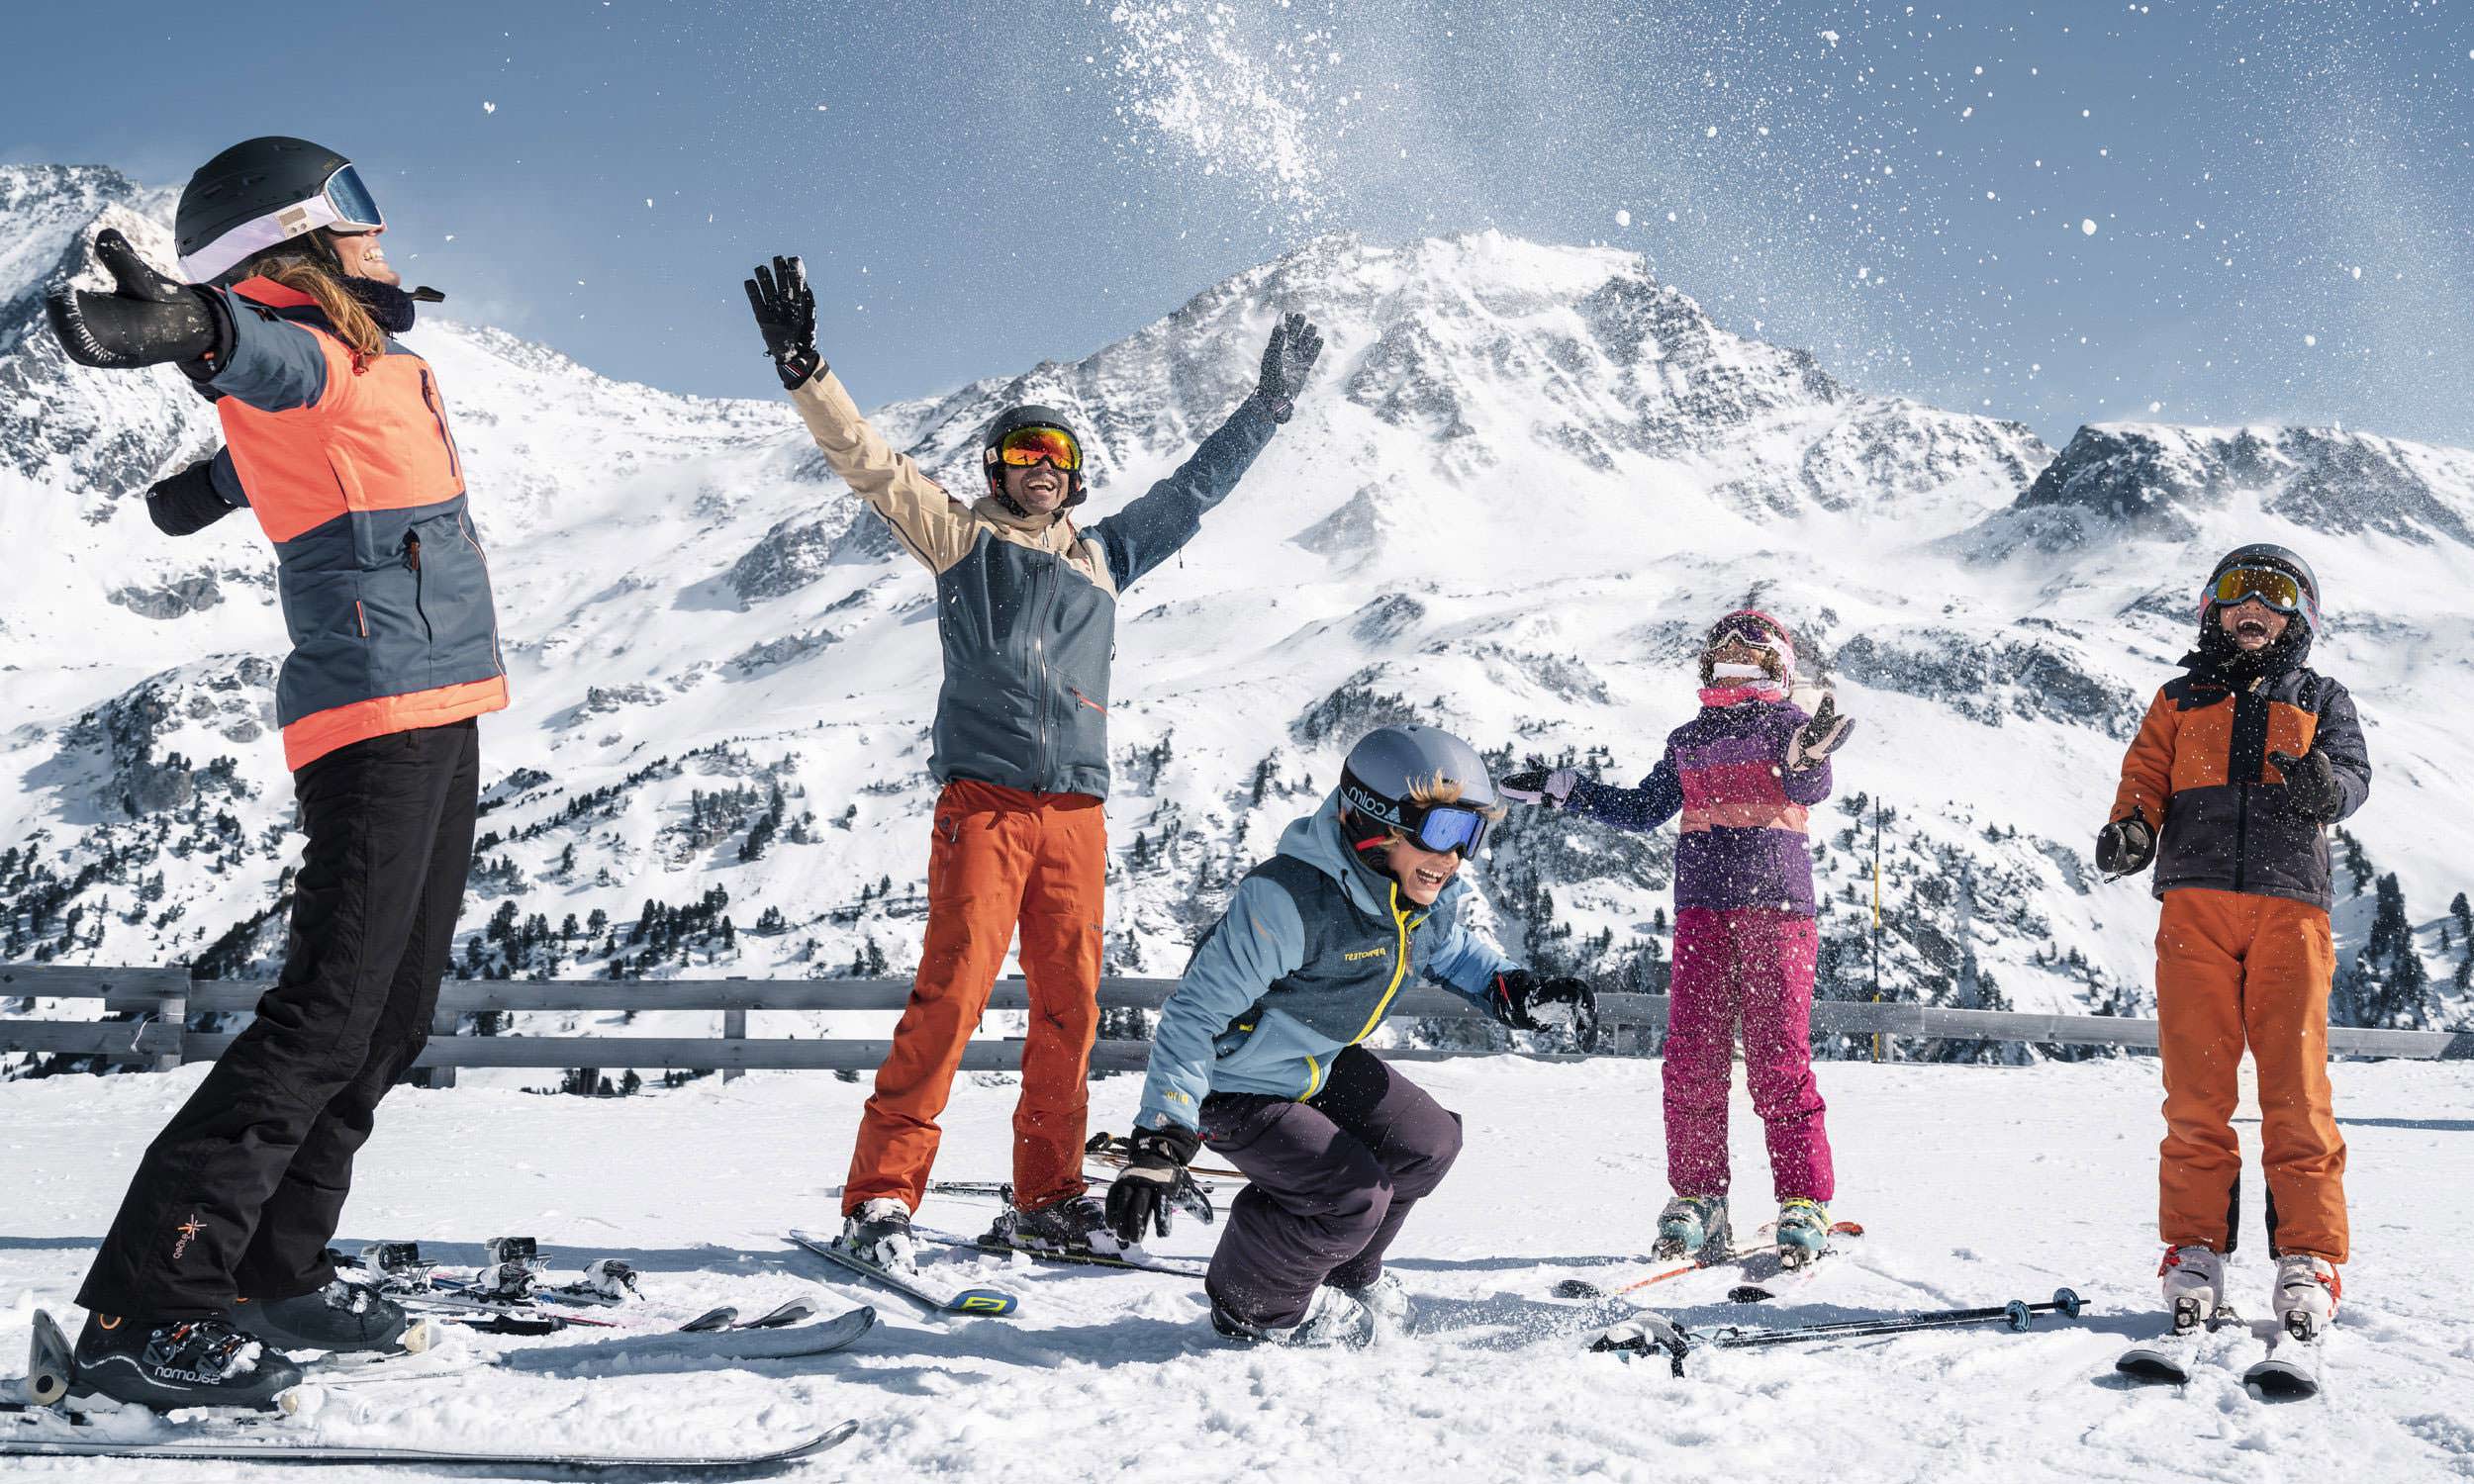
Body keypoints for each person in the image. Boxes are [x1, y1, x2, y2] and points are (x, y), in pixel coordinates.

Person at [742, 255, 1323, 1270]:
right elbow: (870, 463)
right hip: (988, 805)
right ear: (995, 470)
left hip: (1075, 821)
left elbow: (1195, 487)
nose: (1040, 464)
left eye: (1056, 450)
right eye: (1020, 451)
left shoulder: (1104, 555)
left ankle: (1048, 1194)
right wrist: (805, 370)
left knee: (1071, 1015)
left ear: (1077, 472)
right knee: (952, 998)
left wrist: (1267, 407)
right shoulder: (963, 544)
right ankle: (881, 1197)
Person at [46, 136, 504, 1409]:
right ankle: (152, 1307)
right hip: (375, 708)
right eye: (351, 205)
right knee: (319, 1018)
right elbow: (250, 354)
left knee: (392, 1017)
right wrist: (193, 328)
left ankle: (273, 1271)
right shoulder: (294, 340)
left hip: (444, 699)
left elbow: (301, 438)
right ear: (292, 241)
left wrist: (208, 490)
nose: (377, 222)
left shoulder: (373, 361)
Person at [1107, 724, 1595, 1345]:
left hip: (1317, 1061)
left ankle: (1341, 1274)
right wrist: (1159, 1141)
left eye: (1469, 837)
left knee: (1428, 1140)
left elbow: (1453, 954)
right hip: (1234, 1082)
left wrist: (1514, 990)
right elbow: (1193, 1016)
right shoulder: (1290, 901)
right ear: (1375, 821)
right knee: (1351, 1195)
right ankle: (1254, 1306)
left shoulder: (1409, 895)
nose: (1453, 858)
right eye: (1443, 832)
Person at [1500, 609, 1853, 1267]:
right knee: (1692, 1058)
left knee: (1779, 1060)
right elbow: (1641, 809)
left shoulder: (1788, 728)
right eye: (1722, 647)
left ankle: (1804, 1201)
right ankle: (1699, 1200)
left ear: (1777, 665)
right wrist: (1560, 790)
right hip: (1702, 916)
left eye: (1749, 649)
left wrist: (1810, 754)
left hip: (1778, 914)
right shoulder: (1687, 739)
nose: (1733, 655)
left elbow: (1811, 782)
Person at [2098, 544, 2367, 1342]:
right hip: (2196, 907)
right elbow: (2145, 775)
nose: (2252, 608)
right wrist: (2133, 827)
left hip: (2291, 910)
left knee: (2296, 1089)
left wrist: (2327, 785)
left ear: (2301, 617)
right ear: (2210, 612)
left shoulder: (2322, 696)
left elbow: (2352, 775)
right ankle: (2195, 1248)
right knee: (2196, 1089)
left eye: (2274, 595)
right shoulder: (2179, 697)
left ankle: (2308, 1255)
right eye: (2234, 595)